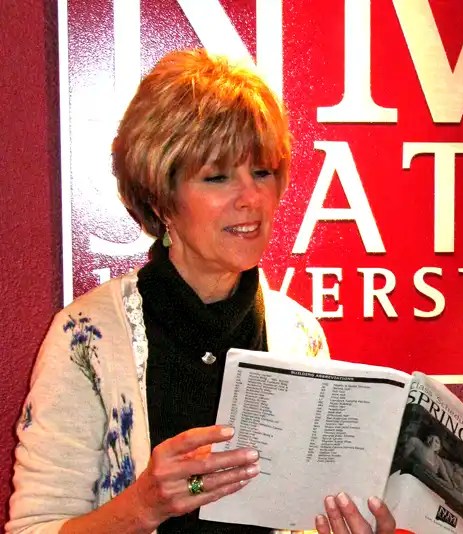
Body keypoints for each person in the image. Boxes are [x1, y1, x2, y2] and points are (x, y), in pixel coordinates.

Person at [7, 49, 393, 534]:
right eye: (217, 177)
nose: (250, 198)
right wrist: (144, 505)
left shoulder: (300, 336)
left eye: (262, 172)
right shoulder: (88, 337)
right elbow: (32, 528)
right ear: (161, 198)